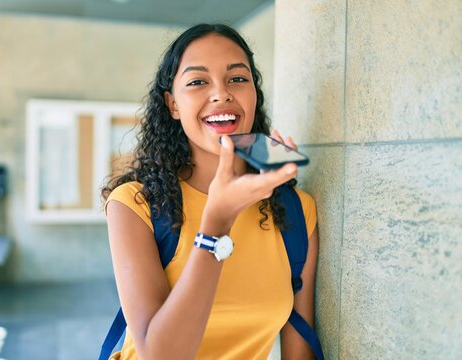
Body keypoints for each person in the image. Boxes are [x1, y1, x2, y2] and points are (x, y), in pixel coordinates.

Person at [102, 23, 319, 360]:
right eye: (197, 82)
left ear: (254, 95)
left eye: (237, 78)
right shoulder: (135, 205)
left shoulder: (295, 210)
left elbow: (299, 348)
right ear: (173, 105)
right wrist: (216, 225)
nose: (221, 94)